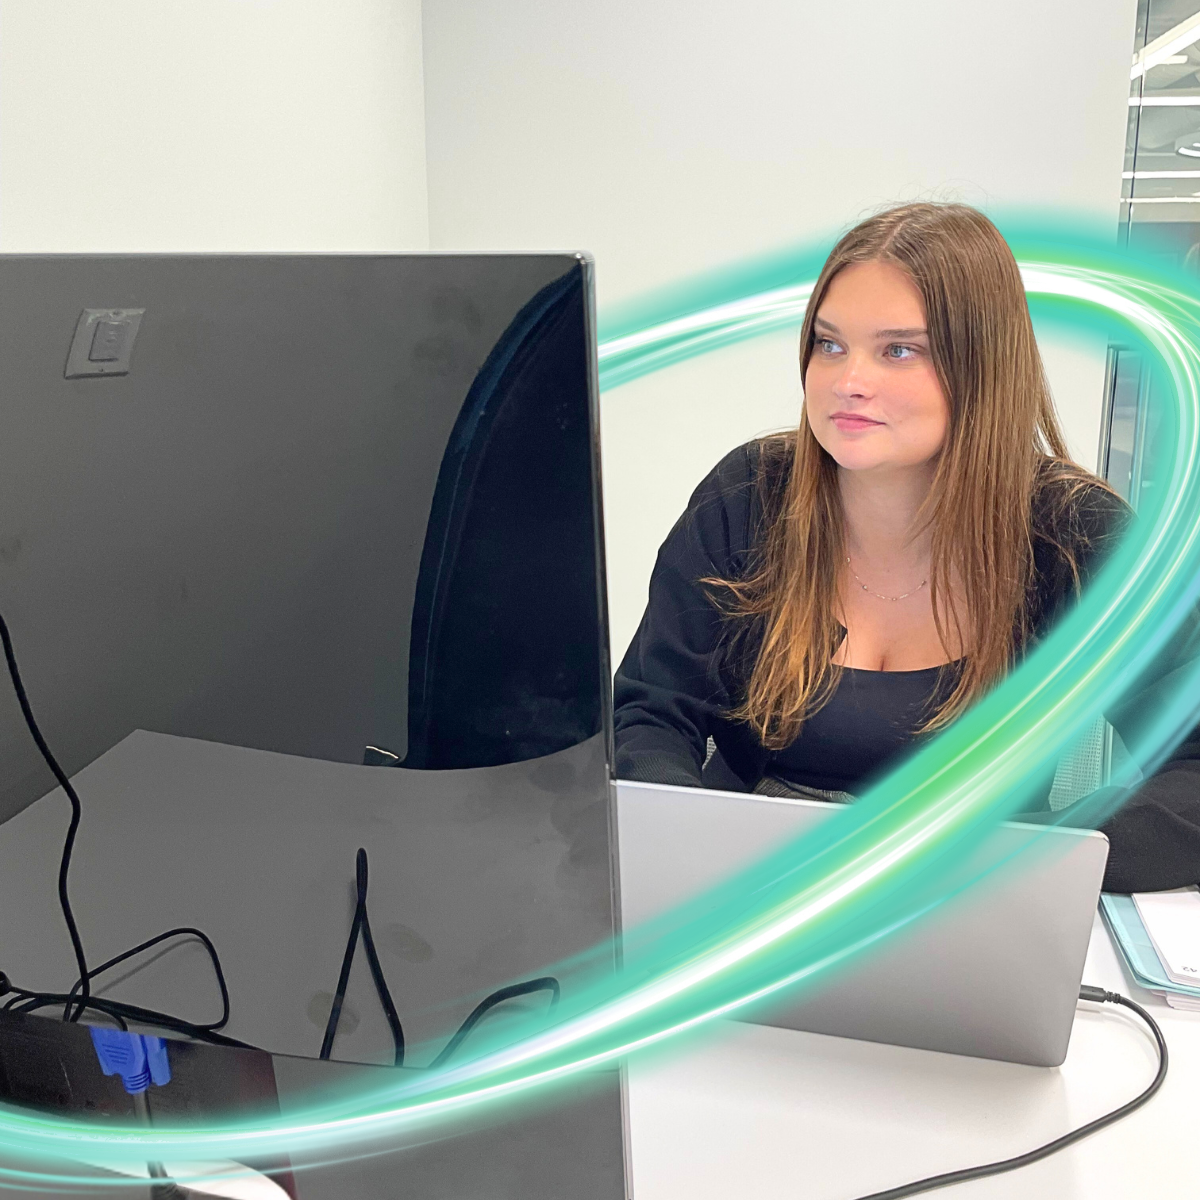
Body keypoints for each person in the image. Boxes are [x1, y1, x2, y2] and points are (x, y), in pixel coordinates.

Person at [613, 201, 1200, 894]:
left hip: (980, 898)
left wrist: (1045, 866)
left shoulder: (1078, 535)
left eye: (899, 350)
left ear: (980, 368)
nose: (847, 380)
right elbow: (648, 716)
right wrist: (692, 852)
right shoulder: (748, 497)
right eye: (829, 344)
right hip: (757, 893)